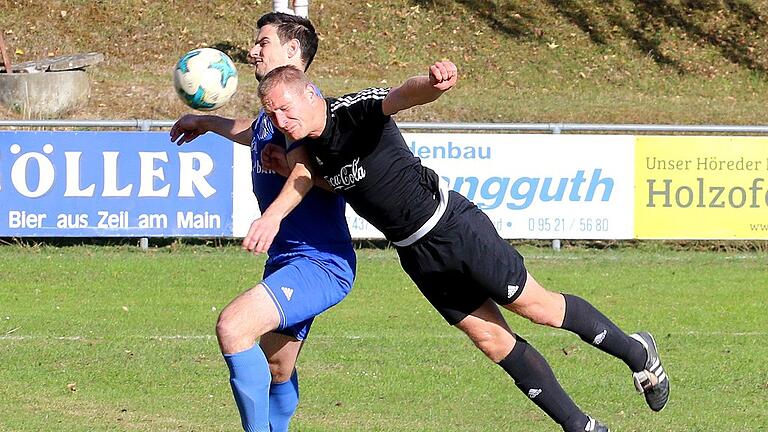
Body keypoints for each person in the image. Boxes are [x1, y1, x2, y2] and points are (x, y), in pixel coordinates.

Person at [246, 61, 670, 432]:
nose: (281, 120)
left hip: (453, 228)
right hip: (415, 254)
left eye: (287, 108)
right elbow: (322, 178)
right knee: (491, 340)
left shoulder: (352, 111)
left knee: (537, 308)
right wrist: (273, 159)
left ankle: (638, 351)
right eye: (273, 113)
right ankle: (581, 425)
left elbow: (400, 95)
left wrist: (432, 84)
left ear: (311, 93)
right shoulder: (307, 150)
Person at [169, 12, 355, 432]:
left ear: (292, 51)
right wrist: (207, 122)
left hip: (319, 263)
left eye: (263, 42)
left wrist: (270, 217)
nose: (252, 50)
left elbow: (307, 171)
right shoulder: (275, 108)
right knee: (277, 369)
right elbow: (254, 132)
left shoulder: (300, 107)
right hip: (290, 259)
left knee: (233, 327)